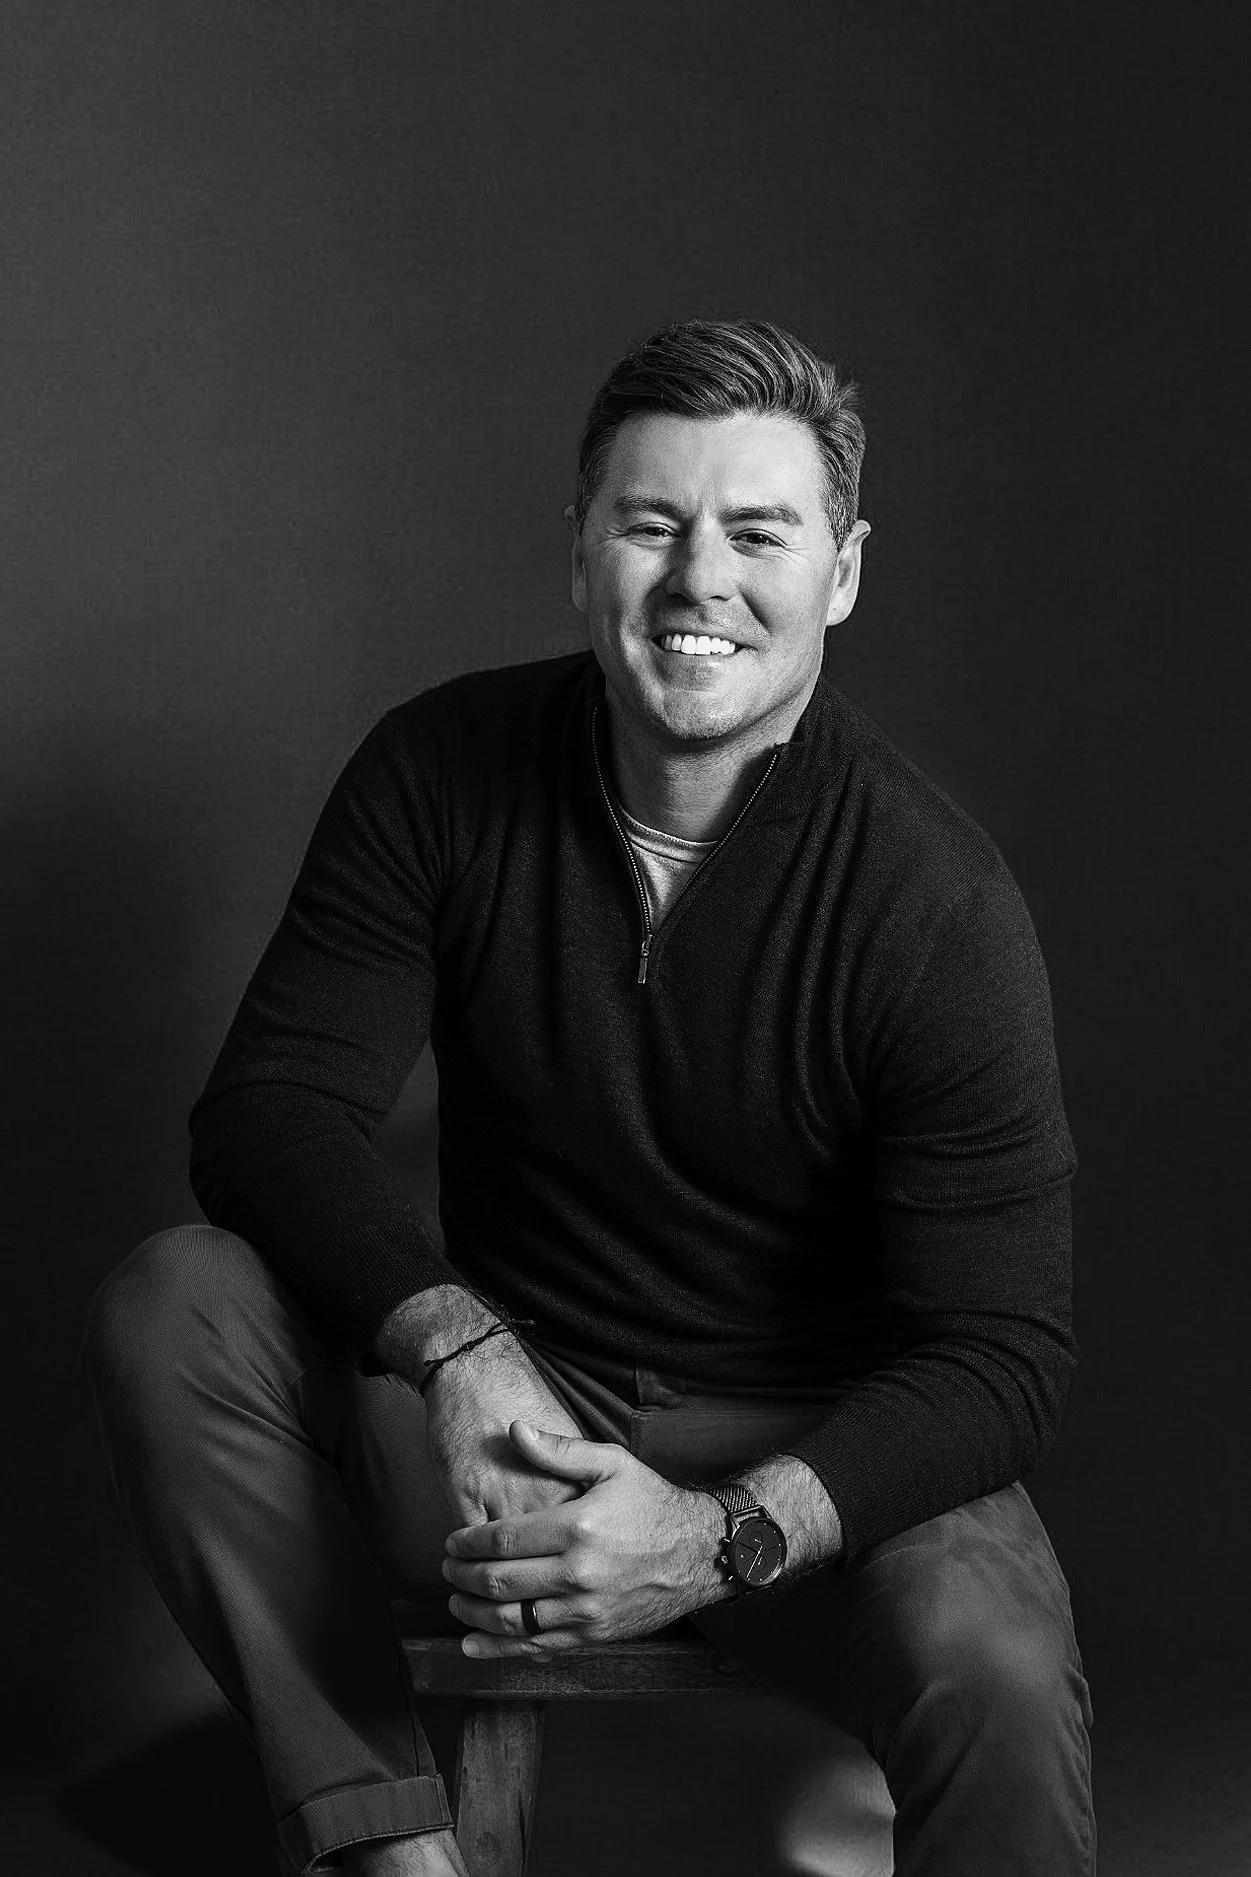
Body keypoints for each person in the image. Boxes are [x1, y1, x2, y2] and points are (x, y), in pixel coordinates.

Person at [84, 319, 1095, 1876]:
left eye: (757, 532)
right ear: (581, 551)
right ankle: (388, 1853)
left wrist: (716, 1534)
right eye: (650, 523)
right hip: (507, 1432)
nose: (699, 579)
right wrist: (460, 1347)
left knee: (1000, 1666)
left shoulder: (934, 901)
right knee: (179, 1296)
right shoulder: (441, 770)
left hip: (817, 1455)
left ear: (838, 571)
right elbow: (271, 1111)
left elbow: (1001, 1349)